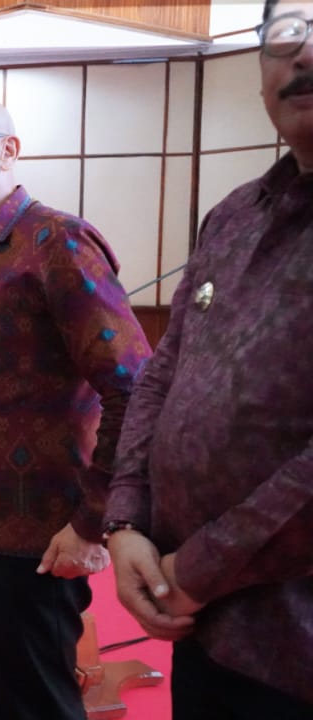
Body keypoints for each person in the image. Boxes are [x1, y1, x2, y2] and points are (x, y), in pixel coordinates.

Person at [0, 97, 151, 720]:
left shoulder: (58, 241)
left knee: (35, 704)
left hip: (38, 535)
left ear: (9, 151)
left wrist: (94, 522)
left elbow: (135, 389)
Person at [103, 2, 313, 716]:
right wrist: (126, 520)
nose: (304, 53)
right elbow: (164, 369)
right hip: (204, 626)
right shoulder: (235, 214)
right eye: (286, 33)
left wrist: (196, 568)